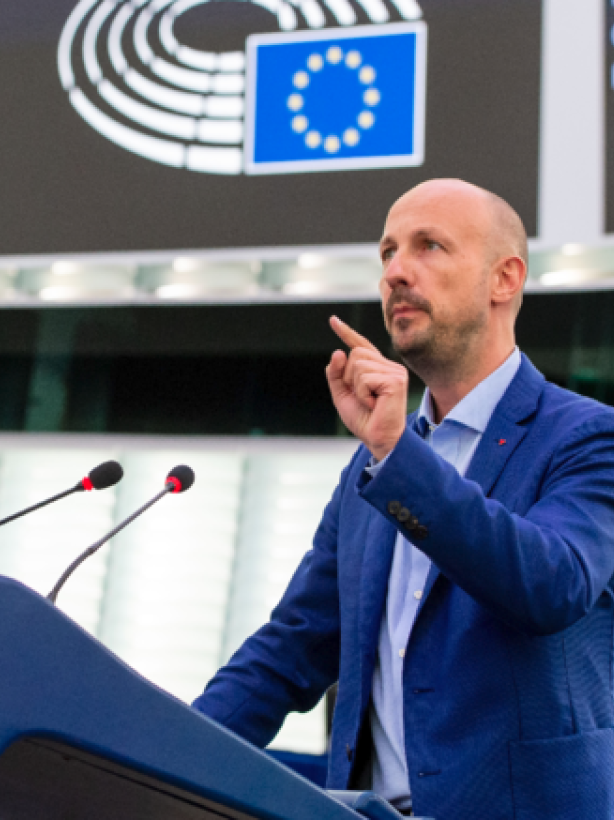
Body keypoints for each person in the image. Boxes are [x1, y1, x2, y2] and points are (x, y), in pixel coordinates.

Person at [192, 179, 614, 820]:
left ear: (504, 279)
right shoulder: (374, 464)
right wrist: (153, 753)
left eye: (429, 247)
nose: (395, 272)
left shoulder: (587, 437)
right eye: (387, 252)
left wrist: (397, 457)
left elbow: (549, 585)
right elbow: (291, 646)